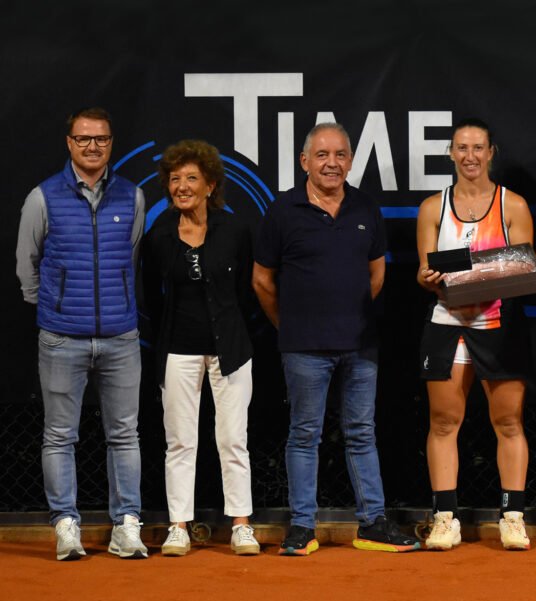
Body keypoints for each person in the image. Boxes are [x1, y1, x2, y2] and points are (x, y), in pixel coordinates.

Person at [253, 122, 420, 555]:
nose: (332, 163)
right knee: (304, 434)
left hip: (360, 344)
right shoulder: (282, 210)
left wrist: (351, 313)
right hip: (303, 347)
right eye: (322, 155)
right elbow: (262, 281)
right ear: (305, 161)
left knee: (362, 432)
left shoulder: (365, 207)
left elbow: (377, 273)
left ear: (350, 160)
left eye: (341, 154)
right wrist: (290, 326)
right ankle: (302, 527)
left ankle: (373, 523)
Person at [15, 107, 149, 560]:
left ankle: (126, 524)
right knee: (59, 435)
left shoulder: (132, 197)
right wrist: (56, 309)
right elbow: (26, 267)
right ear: (69, 143)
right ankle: (66, 525)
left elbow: (130, 258)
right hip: (60, 339)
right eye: (84, 139)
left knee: (124, 434)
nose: (93, 146)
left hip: (121, 338)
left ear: (111, 144)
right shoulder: (42, 198)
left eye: (102, 139)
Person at [415, 118, 534, 551]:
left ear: (490, 153)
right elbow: (423, 271)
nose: (470, 156)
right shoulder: (433, 208)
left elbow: (523, 271)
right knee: (444, 423)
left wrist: (474, 286)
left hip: (497, 326)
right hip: (446, 326)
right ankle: (445, 518)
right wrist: (430, 278)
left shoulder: (512, 206)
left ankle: (513, 517)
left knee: (507, 421)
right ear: (450, 153)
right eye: (462, 148)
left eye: (478, 147)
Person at [140, 140, 259, 557]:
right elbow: (152, 299)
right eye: (175, 179)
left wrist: (231, 329)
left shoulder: (236, 230)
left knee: (232, 439)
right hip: (177, 350)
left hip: (230, 348)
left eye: (191, 178)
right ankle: (178, 526)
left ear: (210, 184)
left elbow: (245, 291)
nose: (182, 186)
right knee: (180, 441)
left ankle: (241, 524)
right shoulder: (158, 236)